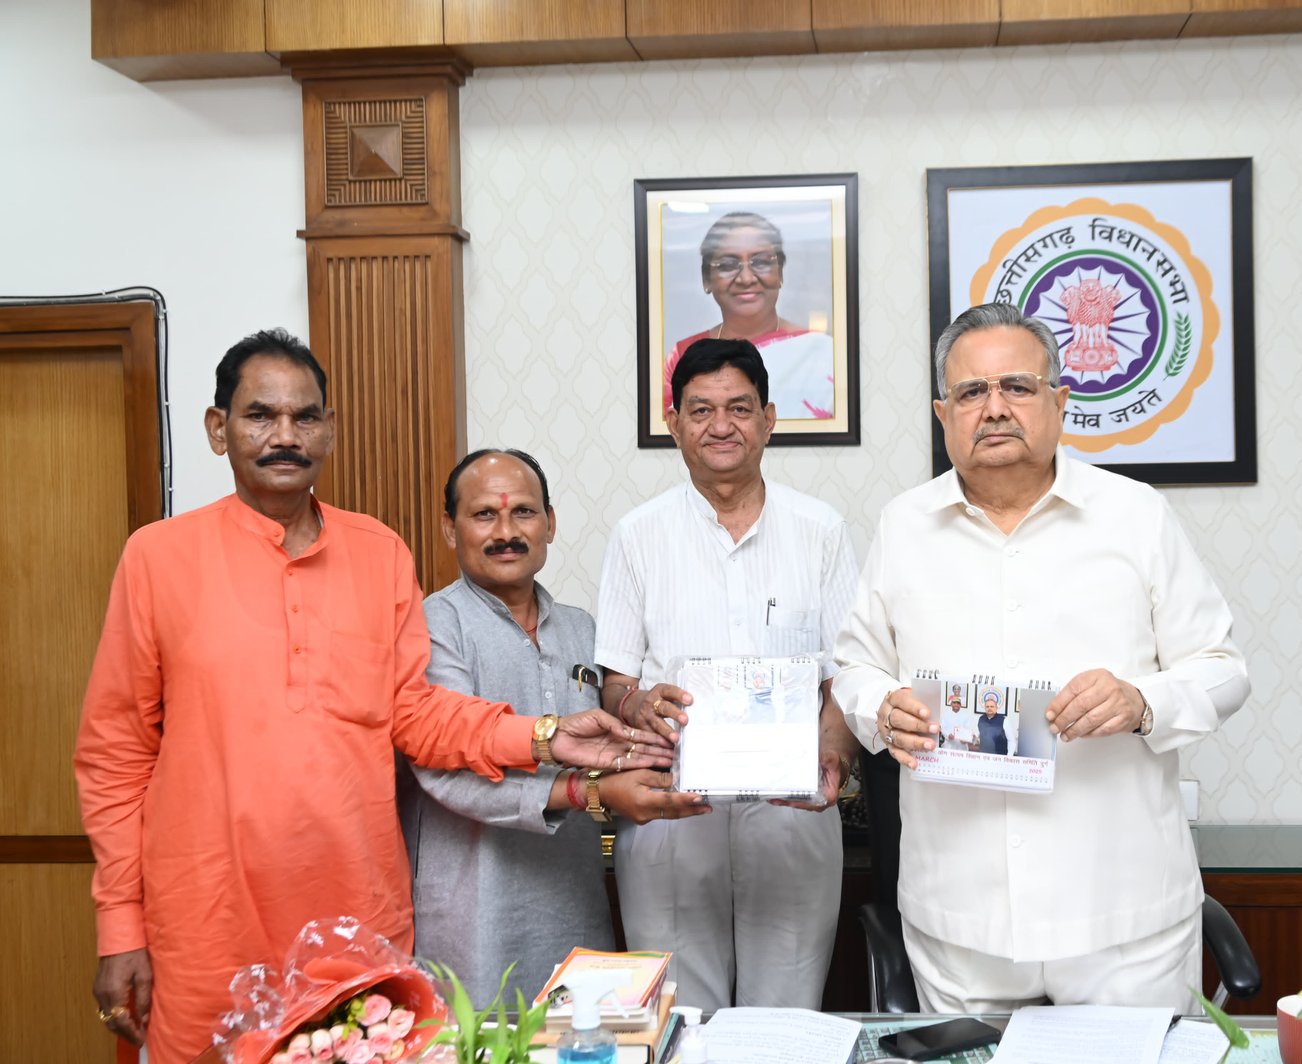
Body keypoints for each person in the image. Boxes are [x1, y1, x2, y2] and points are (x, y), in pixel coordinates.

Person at [74, 330, 667, 1064]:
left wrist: (543, 735)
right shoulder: (158, 558)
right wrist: (120, 926)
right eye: (260, 416)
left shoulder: (379, 553)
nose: (285, 436)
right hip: (207, 921)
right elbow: (115, 756)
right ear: (218, 429)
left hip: (355, 921)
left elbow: (416, 714)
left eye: (305, 417)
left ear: (329, 429)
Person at [833, 302, 1249, 1014]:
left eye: (1017, 387)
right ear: (943, 415)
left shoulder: (1135, 515)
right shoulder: (904, 527)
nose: (994, 408)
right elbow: (855, 667)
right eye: (972, 391)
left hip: (1121, 915)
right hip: (960, 919)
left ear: (1060, 402)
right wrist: (881, 709)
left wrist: (1142, 701)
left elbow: (1223, 667)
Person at [596, 337, 861, 1012]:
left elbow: (849, 678)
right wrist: (636, 703)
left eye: (739, 408)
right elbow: (615, 684)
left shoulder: (822, 530)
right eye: (701, 409)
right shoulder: (637, 535)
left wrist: (833, 751)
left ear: (768, 419)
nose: (721, 425)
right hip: (671, 807)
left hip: (794, 810)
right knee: (681, 1017)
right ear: (674, 422)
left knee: (786, 1017)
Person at [399, 448, 709, 1004]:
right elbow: (443, 772)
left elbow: (611, 750)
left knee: (584, 1036)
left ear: (550, 523)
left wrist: (665, 728)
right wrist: (586, 791)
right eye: (484, 515)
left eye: (523, 512)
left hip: (573, 902)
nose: (506, 532)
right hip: (474, 913)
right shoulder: (431, 626)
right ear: (449, 528)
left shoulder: (582, 630)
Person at [665, 211, 836, 420]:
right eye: (728, 265)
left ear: (780, 273)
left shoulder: (825, 355)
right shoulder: (683, 355)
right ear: (706, 279)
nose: (746, 279)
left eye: (761, 262)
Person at [977, 691, 1008, 756]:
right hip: (984, 755)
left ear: (996, 708)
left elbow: (1011, 740)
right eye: (987, 706)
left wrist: (1009, 756)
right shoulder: (981, 719)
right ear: (985, 708)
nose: (989, 708)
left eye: (992, 706)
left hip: (999, 756)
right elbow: (980, 735)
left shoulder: (1004, 720)